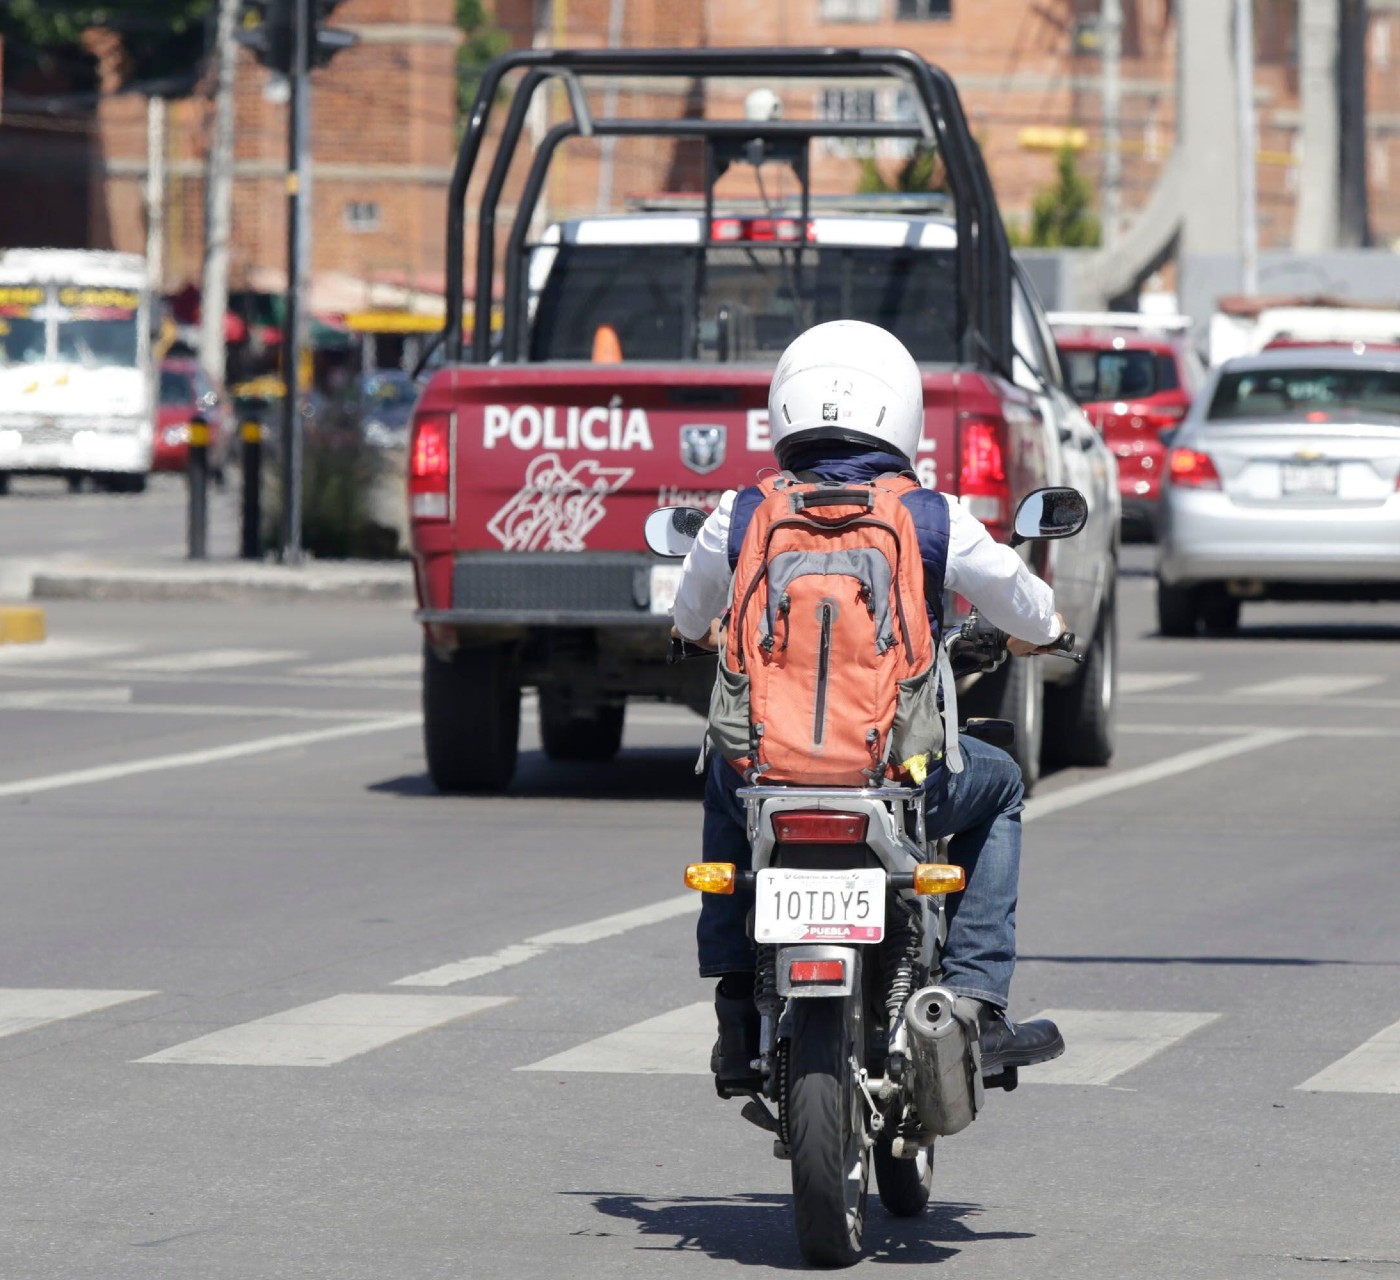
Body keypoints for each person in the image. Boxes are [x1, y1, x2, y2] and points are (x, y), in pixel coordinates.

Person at [671, 319, 1067, 1093]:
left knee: (724, 776)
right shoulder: (931, 516)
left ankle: (735, 1009)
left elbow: (689, 614)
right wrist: (1048, 631)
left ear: (786, 408)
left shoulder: (742, 513)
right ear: (901, 411)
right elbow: (1022, 602)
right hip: (897, 777)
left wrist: (695, 631)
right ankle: (978, 999)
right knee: (1001, 787)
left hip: (770, 781)